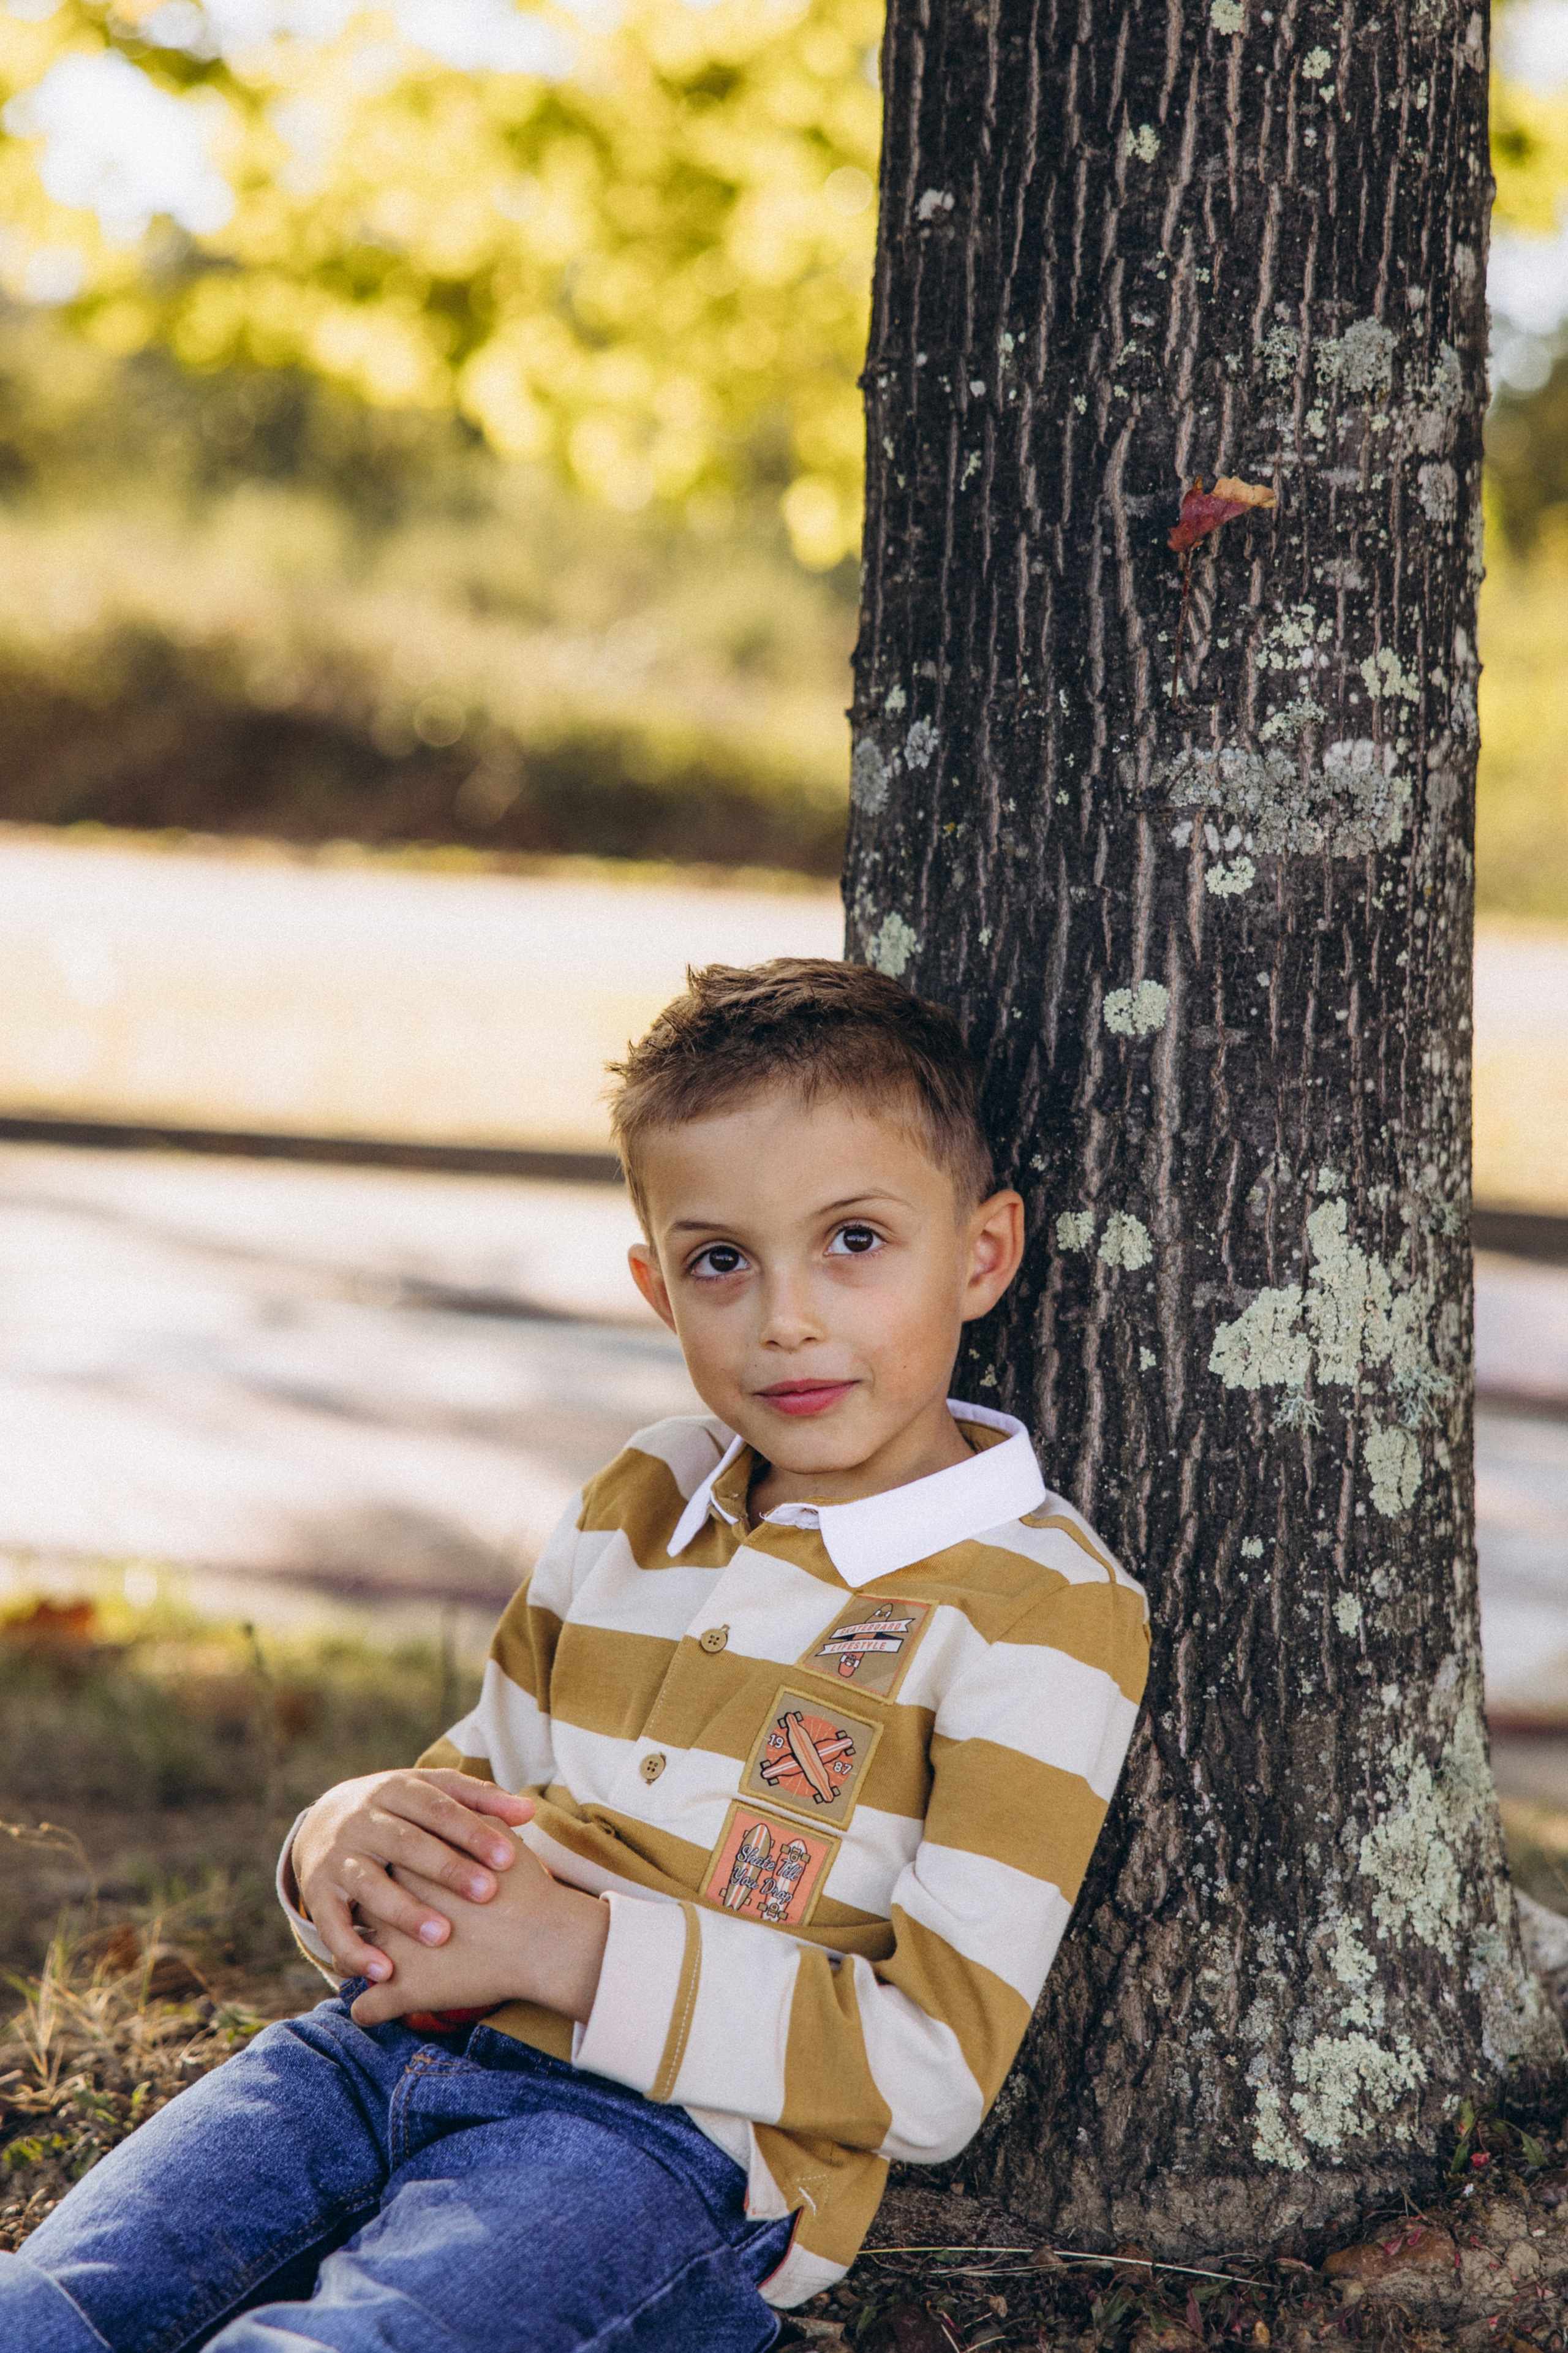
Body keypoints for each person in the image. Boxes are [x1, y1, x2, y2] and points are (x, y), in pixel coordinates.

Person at [1, 957, 1150, 2353]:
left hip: (661, 2148)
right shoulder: (641, 1496)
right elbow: (460, 1807)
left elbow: (931, 2070)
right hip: (365, 2057)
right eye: (720, 1259)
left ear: (980, 1251)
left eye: (852, 1240)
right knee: (44, 2309)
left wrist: (578, 1947)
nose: (784, 1315)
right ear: (657, 1287)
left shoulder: (1037, 1604)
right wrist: (333, 1843)